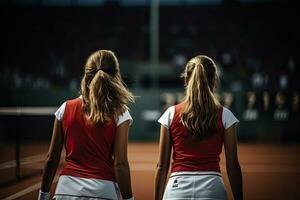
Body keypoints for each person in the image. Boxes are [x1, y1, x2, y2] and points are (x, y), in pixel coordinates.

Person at [38, 50, 135, 200]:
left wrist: (43, 196)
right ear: (116, 75)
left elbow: (52, 157)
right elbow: (120, 163)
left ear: (87, 74)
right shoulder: (120, 112)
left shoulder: (65, 108)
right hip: (103, 191)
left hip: (65, 190)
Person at [155, 55, 243, 200]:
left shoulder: (170, 114)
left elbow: (161, 166)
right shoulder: (225, 115)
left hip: (177, 189)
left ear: (185, 79)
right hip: (213, 189)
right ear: (214, 80)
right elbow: (233, 165)